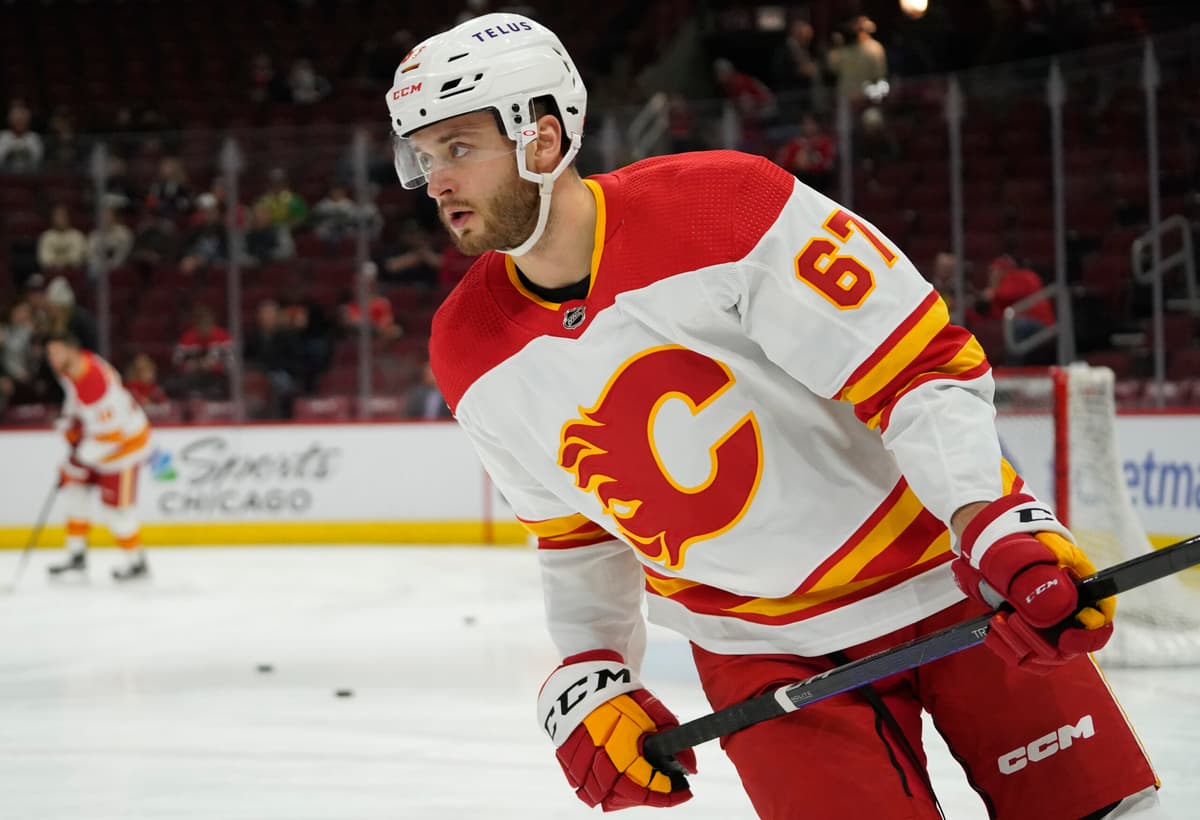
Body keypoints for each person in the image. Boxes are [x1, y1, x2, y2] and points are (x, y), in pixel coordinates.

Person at [387, 14, 1165, 820]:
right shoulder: (466, 345)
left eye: (457, 148)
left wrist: (988, 515)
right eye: (422, 154)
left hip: (948, 578)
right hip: (759, 654)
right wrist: (593, 672)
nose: (435, 180)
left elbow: (915, 367)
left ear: (541, 140)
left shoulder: (725, 205)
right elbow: (574, 535)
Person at [44, 333, 150, 581]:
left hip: (123, 448)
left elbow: (110, 437)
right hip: (96, 442)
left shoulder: (96, 384)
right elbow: (74, 398)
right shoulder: (73, 366)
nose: (52, 358)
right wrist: (69, 420)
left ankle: (137, 563)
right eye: (49, 353)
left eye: (56, 352)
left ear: (72, 350)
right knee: (75, 492)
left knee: (116, 512)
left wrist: (75, 461)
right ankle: (77, 557)